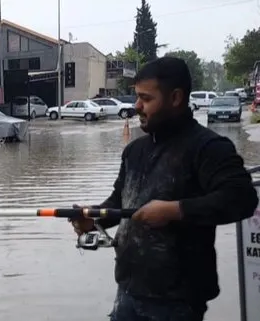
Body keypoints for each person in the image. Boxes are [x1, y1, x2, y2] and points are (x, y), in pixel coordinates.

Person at [71, 56, 259, 321]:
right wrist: (94, 217)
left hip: (177, 301)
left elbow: (242, 198)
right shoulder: (135, 151)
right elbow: (121, 202)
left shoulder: (208, 147)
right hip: (128, 291)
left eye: (146, 99)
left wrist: (174, 210)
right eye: (137, 97)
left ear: (175, 98)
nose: (137, 106)